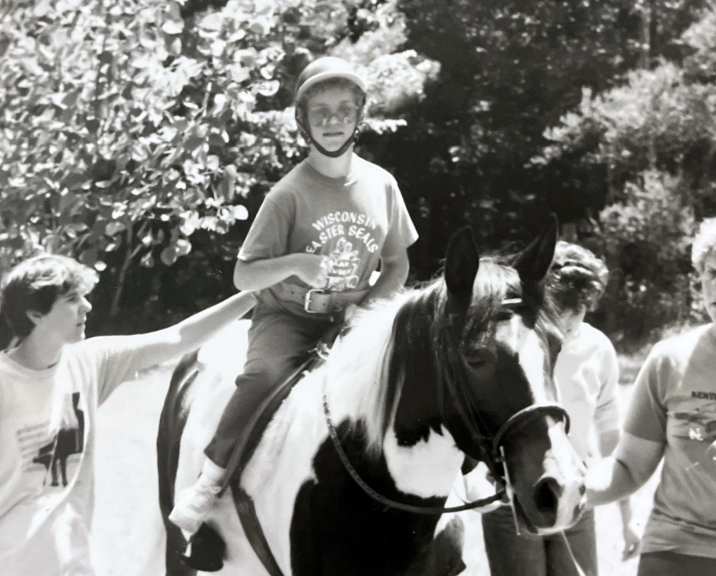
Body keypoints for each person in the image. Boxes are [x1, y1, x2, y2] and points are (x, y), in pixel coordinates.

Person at [168, 55, 418, 536]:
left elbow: (397, 265)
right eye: (320, 110)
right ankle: (211, 479)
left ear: (359, 117)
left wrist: (363, 311)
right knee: (263, 376)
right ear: (302, 119)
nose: (332, 120)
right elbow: (244, 276)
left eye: (345, 109)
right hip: (289, 319)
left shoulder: (381, 184)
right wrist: (297, 264)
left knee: (412, 378)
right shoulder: (288, 194)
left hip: (355, 318)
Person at [0, 254, 257, 576]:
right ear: (35, 313)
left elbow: (178, 337)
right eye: (71, 299)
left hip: (73, 560)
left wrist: (258, 292)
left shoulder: (89, 363)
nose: (87, 306)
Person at [480, 241, 640, 576]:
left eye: (576, 311)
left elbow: (611, 436)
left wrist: (628, 518)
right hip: (514, 500)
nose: (565, 322)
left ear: (589, 304)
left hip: (575, 495)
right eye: (556, 309)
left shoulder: (598, 349)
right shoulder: (516, 345)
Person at [587, 217, 716, 576]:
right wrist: (572, 489)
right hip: (677, 550)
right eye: (711, 273)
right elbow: (628, 466)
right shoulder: (669, 360)